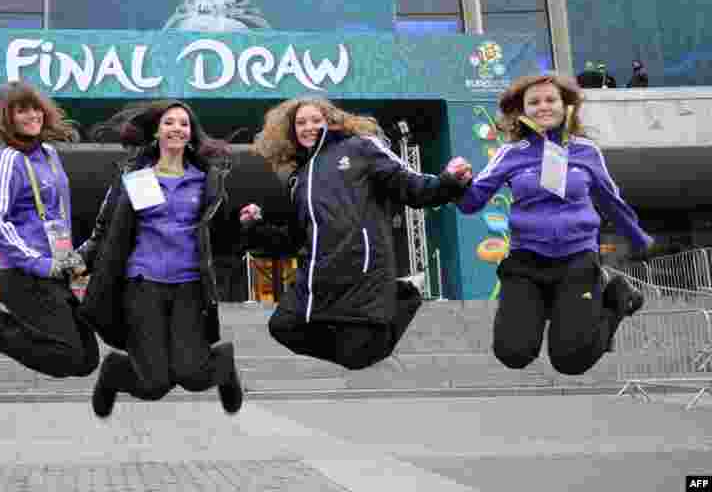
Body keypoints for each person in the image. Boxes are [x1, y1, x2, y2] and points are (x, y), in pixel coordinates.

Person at [241, 97, 472, 371]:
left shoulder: (360, 147)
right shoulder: (297, 178)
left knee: (359, 356)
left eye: (316, 119)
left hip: (360, 270)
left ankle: (405, 294)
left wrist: (449, 181)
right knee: (282, 327)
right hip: (318, 280)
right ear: (291, 131)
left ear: (331, 121)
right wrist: (255, 228)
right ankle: (392, 297)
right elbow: (295, 239)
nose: (309, 127)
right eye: (301, 123)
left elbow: (410, 184)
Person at [456, 73, 650, 375]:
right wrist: (458, 183)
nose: (543, 106)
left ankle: (615, 299)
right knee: (512, 353)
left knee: (570, 362)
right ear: (521, 111)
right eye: (534, 102)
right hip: (526, 261)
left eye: (551, 99)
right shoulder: (510, 153)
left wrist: (637, 238)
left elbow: (611, 200)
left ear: (565, 106)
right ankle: (545, 308)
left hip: (577, 260)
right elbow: (471, 202)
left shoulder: (586, 151)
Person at [78, 100, 244, 418]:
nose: (176, 128)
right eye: (169, 122)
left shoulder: (205, 179)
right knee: (154, 384)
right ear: (157, 130)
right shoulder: (137, 177)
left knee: (193, 375)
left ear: (190, 134)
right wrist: (80, 259)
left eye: (184, 123)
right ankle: (114, 371)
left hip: (189, 286)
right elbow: (104, 227)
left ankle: (223, 363)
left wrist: (244, 222)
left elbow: (220, 233)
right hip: (143, 285)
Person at [0, 81, 99, 379]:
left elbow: (57, 215)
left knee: (87, 359)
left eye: (35, 108)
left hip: (55, 270)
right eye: (21, 110)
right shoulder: (7, 160)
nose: (32, 115)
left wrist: (67, 261)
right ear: (7, 118)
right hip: (23, 274)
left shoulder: (51, 155)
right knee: (70, 355)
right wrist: (40, 263)